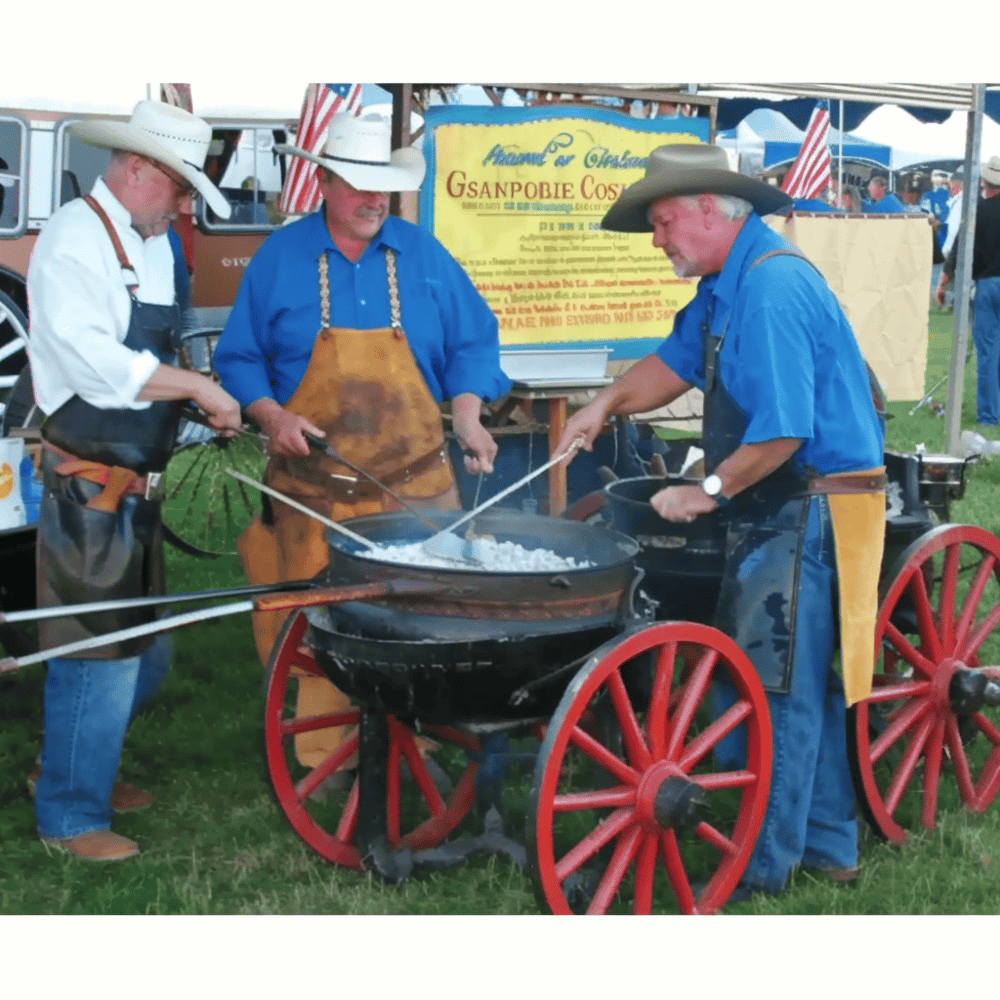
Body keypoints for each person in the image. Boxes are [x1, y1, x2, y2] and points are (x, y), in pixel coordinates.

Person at [555, 142, 886, 900]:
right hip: (790, 496)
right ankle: (829, 844)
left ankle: (759, 869)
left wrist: (705, 489)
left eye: (665, 221)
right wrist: (603, 406)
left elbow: (781, 431)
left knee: (774, 686)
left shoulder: (770, 288)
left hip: (816, 502)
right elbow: (668, 366)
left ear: (711, 208)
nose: (658, 239)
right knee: (803, 681)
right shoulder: (723, 284)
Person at [213, 113, 511, 772]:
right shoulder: (279, 260)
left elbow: (474, 343)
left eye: (384, 187)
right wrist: (269, 415)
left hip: (417, 488)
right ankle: (328, 753)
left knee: (422, 619)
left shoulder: (424, 256)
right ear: (322, 182)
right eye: (359, 185)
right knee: (323, 624)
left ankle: (420, 735)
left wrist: (466, 415)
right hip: (313, 489)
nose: (374, 199)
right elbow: (237, 358)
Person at [26, 100, 242, 861]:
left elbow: (156, 363)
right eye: (181, 188)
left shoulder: (154, 242)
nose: (186, 204)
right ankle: (68, 816)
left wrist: (195, 406)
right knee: (99, 656)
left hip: (138, 486)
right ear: (138, 168)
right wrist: (194, 387)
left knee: (146, 654)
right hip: (88, 486)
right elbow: (92, 364)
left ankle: (74, 760)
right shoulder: (72, 238)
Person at [936, 156, 1000, 426]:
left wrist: (943, 282)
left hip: (986, 284)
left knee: (987, 352)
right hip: (989, 283)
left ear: (983, 181)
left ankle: (989, 416)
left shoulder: (975, 211)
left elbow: (959, 248)